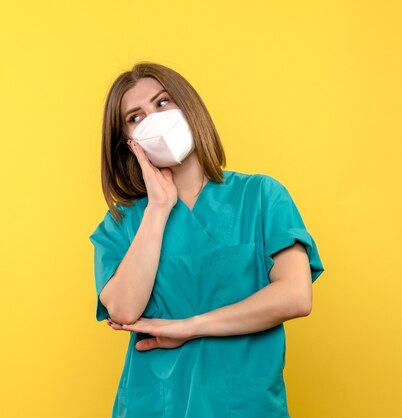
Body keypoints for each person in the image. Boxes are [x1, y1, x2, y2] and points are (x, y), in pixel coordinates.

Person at [89, 62, 325, 418]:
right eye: (135, 117)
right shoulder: (122, 224)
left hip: (243, 405)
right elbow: (123, 309)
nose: (153, 118)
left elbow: (295, 295)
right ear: (128, 143)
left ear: (189, 107)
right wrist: (158, 207)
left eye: (162, 103)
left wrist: (190, 328)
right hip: (153, 405)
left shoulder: (261, 196)